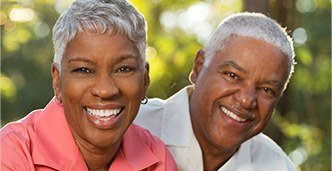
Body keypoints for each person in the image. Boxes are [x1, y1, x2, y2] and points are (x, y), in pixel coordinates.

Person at [1, 0, 177, 170]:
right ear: (57, 81)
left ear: (145, 80)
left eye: (124, 69)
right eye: (83, 70)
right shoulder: (12, 154)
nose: (105, 90)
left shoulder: (158, 160)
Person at [134, 12, 297, 171]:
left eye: (267, 90)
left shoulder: (278, 165)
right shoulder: (130, 129)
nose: (246, 100)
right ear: (198, 67)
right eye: (232, 75)